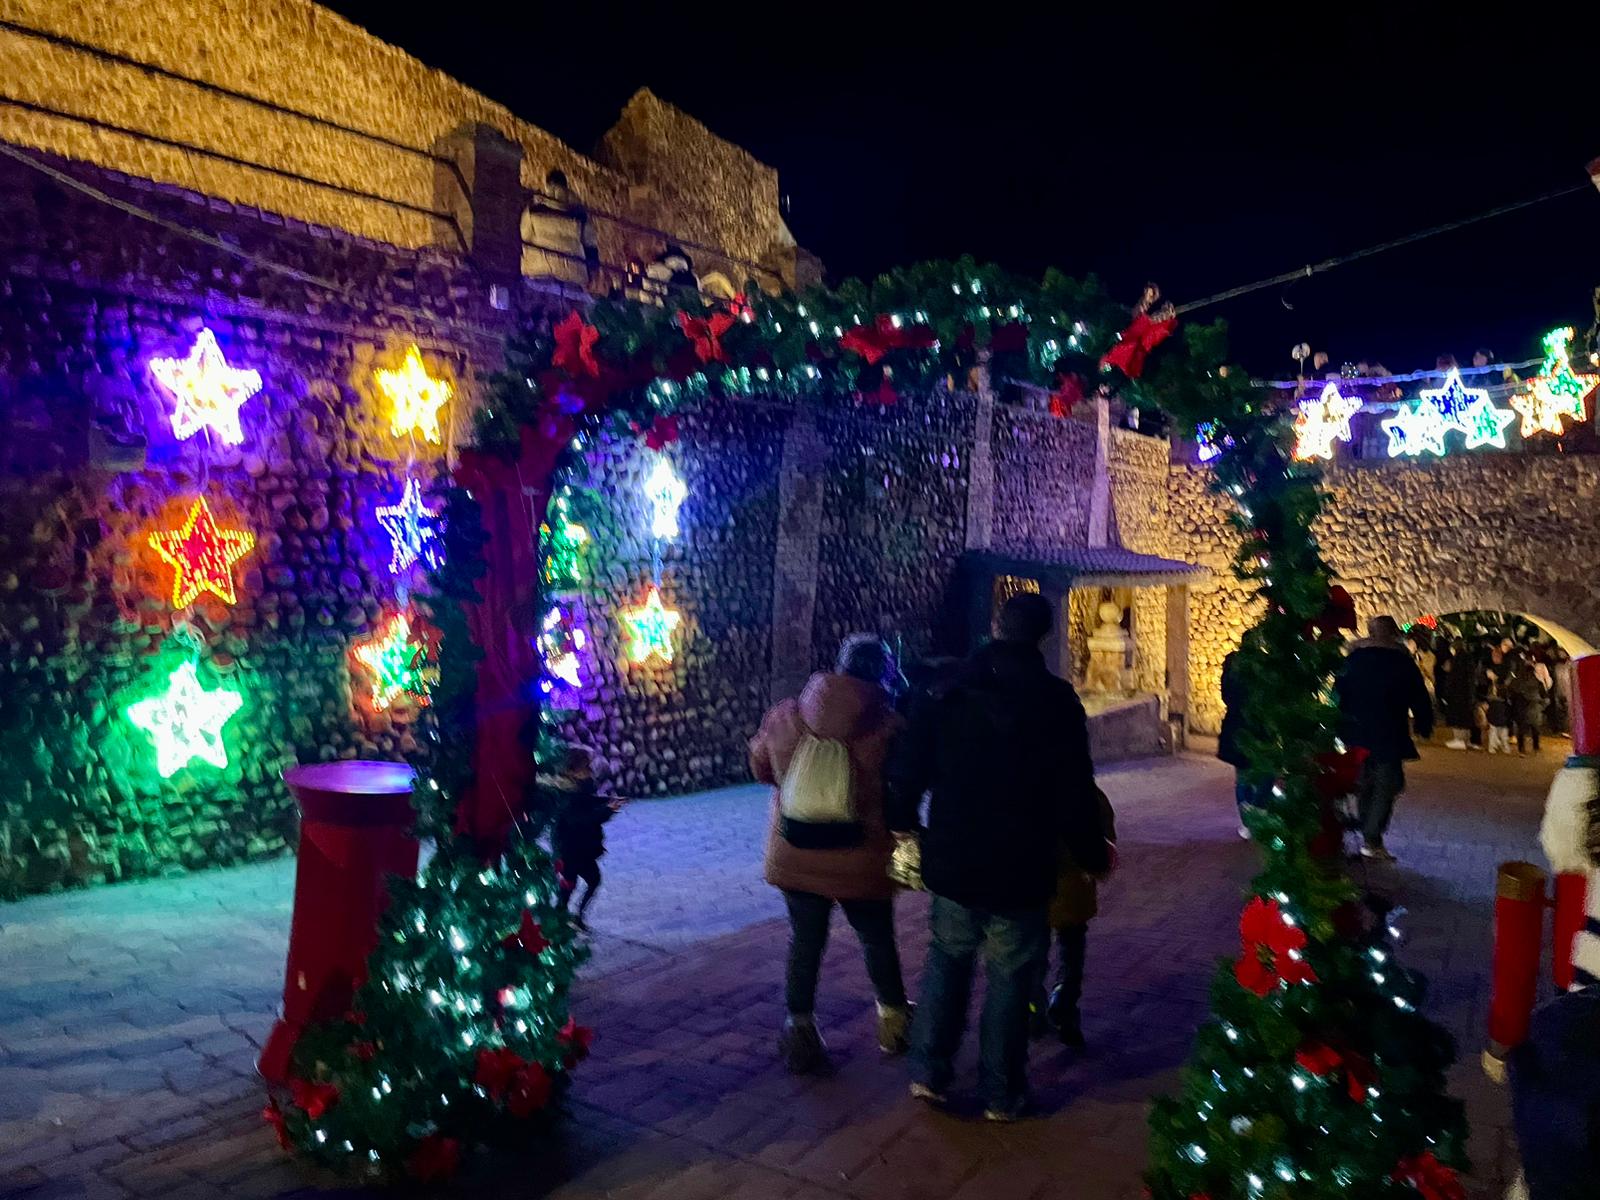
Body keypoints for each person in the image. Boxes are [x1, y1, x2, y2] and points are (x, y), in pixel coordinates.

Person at [888, 592, 1109, 1121]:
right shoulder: (1056, 702)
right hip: (1021, 861)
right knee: (1011, 974)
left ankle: (928, 1070)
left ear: (995, 627)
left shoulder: (948, 689)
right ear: (1044, 636)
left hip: (956, 854)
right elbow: (1074, 788)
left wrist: (902, 823)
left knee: (947, 957)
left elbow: (909, 765)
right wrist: (1089, 851)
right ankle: (1000, 1092)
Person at [750, 634, 911, 1075]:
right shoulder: (889, 726)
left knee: (805, 942)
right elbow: (903, 789)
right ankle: (893, 1023)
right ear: (882, 673)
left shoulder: (786, 715)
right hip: (861, 859)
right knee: (877, 939)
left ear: (837, 667)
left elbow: (760, 767)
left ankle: (799, 1032)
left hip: (795, 853)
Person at [1335, 615, 1434, 862]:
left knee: (1364, 782)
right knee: (1387, 784)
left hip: (1356, 733)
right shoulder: (1401, 661)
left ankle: (1365, 829)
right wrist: (1424, 724)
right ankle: (1372, 837)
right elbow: (1418, 696)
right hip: (1389, 733)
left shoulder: (1354, 659)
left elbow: (1339, 692)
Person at [1033, 785, 1117, 1049]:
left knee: (1034, 949)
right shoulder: (1076, 780)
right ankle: (1064, 1005)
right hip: (1073, 878)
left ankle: (1034, 1006)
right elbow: (1102, 820)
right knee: (1072, 945)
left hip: (1034, 880)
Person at [549, 746, 623, 929]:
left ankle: (576, 917)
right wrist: (607, 810)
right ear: (572, 770)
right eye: (586, 767)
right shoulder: (565, 793)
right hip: (569, 849)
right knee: (568, 886)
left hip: (582, 847)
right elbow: (580, 819)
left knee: (593, 880)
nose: (590, 771)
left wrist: (607, 801)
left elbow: (587, 802)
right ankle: (561, 921)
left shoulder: (579, 787)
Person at [1216, 649, 1259, 837]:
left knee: (1242, 775)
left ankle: (1246, 820)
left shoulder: (1232, 667)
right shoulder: (1256, 669)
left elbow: (1225, 696)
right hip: (1254, 727)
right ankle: (1254, 814)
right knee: (1255, 774)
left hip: (1235, 726)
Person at [1509, 655, 1549, 756]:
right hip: (1534, 706)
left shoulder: (1518, 680)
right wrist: (1543, 703)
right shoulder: (1536, 680)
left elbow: (1512, 691)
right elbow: (1544, 693)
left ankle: (1521, 748)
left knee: (1522, 729)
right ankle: (1536, 746)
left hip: (1522, 707)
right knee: (1535, 727)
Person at [1486, 678, 1513, 754]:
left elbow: (1489, 712)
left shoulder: (1492, 702)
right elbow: (1509, 713)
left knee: (1492, 734)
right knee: (1504, 736)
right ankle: (1505, 748)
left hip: (1494, 721)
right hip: (1503, 722)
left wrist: (1489, 718)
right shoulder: (1507, 703)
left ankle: (1492, 747)